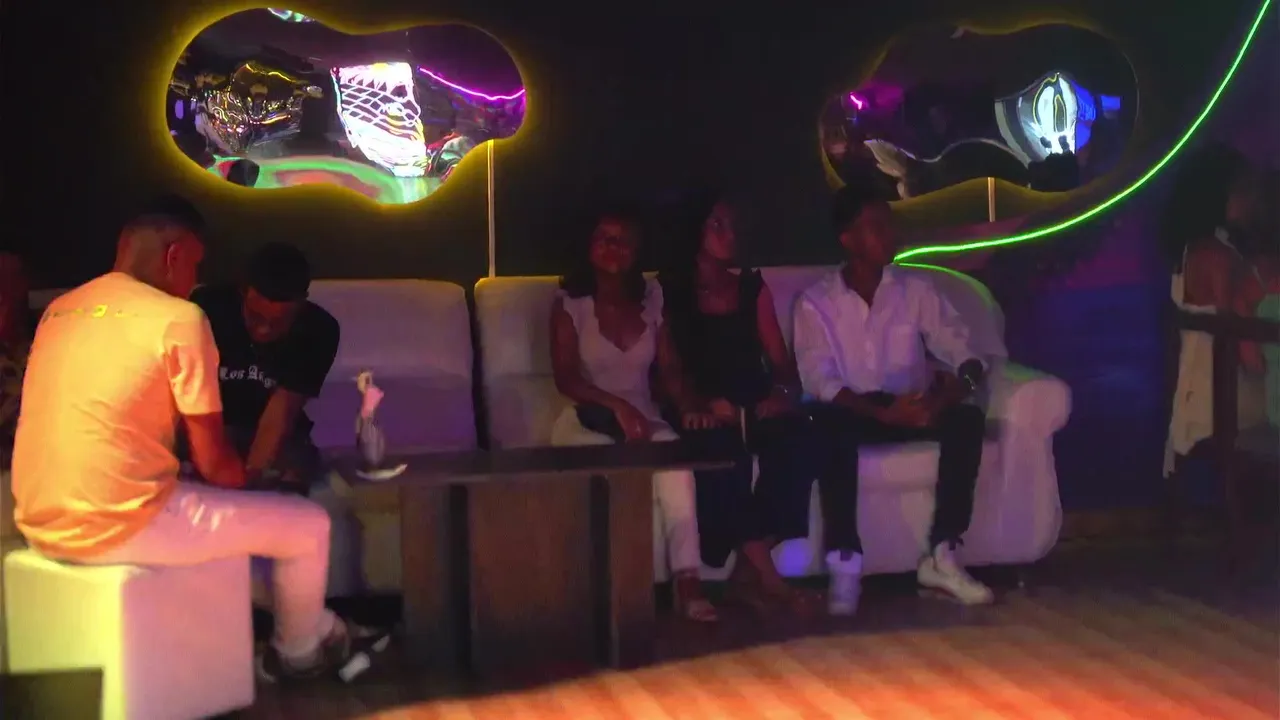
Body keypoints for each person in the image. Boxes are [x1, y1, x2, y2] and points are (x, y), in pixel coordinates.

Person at [10, 196, 383, 683]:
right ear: (175, 255)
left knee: (239, 520)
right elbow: (214, 464)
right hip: (115, 525)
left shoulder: (61, 310)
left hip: (38, 519)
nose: (193, 279)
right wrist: (243, 484)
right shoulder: (179, 317)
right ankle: (297, 656)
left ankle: (324, 628)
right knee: (306, 525)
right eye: (195, 264)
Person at [794, 185, 996, 614]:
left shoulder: (915, 288)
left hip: (913, 406)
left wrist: (950, 393)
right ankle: (845, 562)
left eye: (890, 224)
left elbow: (965, 350)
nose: (890, 234)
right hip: (856, 411)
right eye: (876, 226)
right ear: (848, 239)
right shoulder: (815, 302)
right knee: (827, 425)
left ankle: (943, 555)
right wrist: (883, 413)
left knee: (967, 419)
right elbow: (819, 380)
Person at [548, 207, 719, 622]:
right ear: (589, 245)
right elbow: (567, 377)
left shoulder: (652, 298)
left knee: (676, 467)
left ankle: (687, 581)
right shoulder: (569, 303)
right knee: (614, 463)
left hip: (643, 419)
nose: (614, 247)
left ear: (637, 250)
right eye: (604, 238)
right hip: (586, 420)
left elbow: (670, 369)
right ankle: (610, 590)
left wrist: (690, 405)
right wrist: (616, 406)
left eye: (623, 240)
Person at [658, 195, 822, 614]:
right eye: (718, 225)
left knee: (801, 438)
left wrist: (781, 395)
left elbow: (781, 362)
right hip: (703, 405)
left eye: (733, 226)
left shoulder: (751, 287)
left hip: (753, 401)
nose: (730, 235)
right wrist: (694, 405)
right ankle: (772, 582)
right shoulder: (668, 290)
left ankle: (746, 578)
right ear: (696, 231)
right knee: (721, 451)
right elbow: (669, 367)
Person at [188, 243, 361, 595]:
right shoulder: (205, 310)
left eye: (278, 322)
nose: (264, 330)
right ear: (242, 294)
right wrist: (214, 464)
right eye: (255, 317)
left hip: (273, 429)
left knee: (291, 482)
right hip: (209, 420)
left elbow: (281, 412)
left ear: (301, 305)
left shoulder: (319, 329)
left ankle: (290, 602)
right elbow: (187, 395)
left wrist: (246, 484)